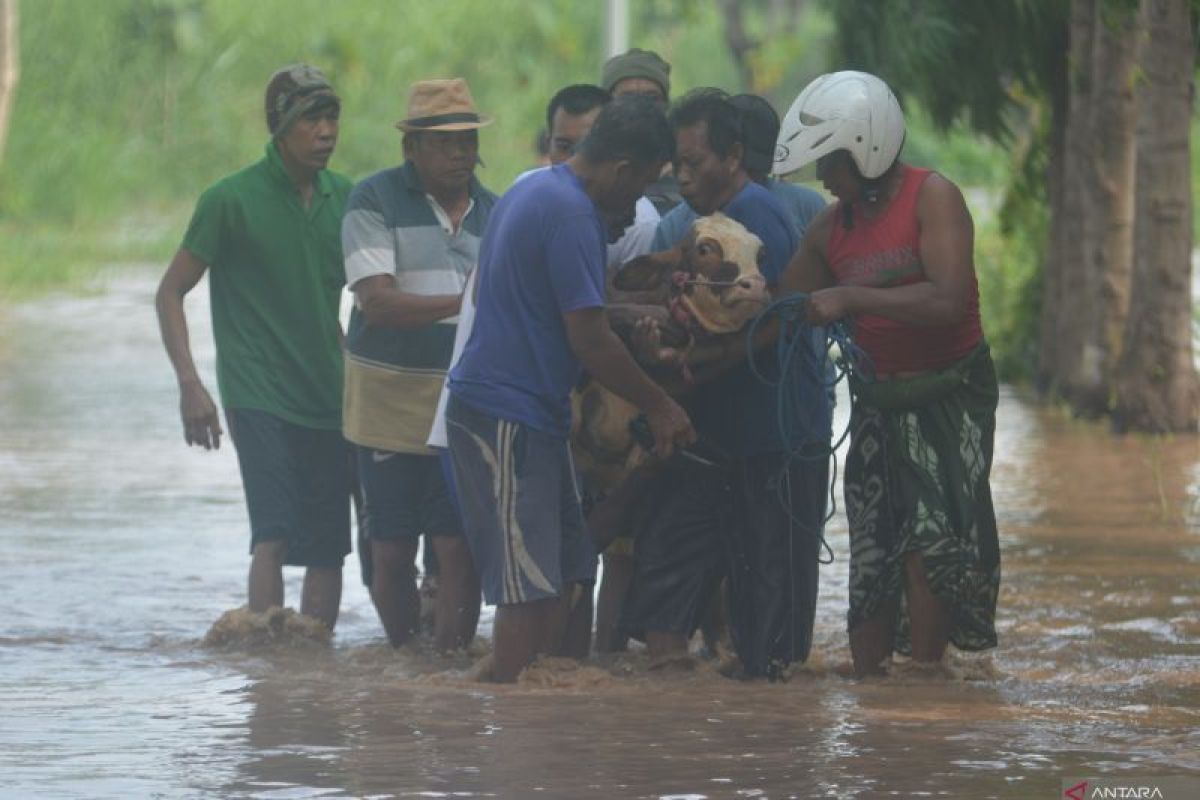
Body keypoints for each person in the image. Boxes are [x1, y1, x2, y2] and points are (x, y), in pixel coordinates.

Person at [445, 96, 696, 683]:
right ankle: (510, 728)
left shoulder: (533, 189)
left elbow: (552, 303)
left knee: (565, 571)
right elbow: (588, 340)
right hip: (503, 413)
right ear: (623, 169)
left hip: (529, 413)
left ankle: (533, 717)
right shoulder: (574, 215)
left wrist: (626, 317)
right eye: (639, 189)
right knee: (528, 589)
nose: (636, 205)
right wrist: (660, 405)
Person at [774, 70, 1001, 676]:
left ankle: (924, 681)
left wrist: (851, 298)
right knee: (873, 542)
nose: (823, 180)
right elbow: (782, 309)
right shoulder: (829, 228)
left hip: (950, 393)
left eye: (830, 164)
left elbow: (949, 298)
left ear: (866, 148)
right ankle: (872, 685)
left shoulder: (934, 197)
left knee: (932, 539)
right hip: (879, 398)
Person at [622, 88, 832, 678]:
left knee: (767, 631)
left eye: (693, 163)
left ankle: (765, 744)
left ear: (734, 155)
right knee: (664, 588)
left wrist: (689, 369)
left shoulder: (759, 216)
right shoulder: (689, 224)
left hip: (775, 439)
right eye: (676, 164)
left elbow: (776, 320)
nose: (681, 176)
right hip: (711, 436)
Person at [155, 64, 354, 629]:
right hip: (257, 392)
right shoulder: (230, 199)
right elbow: (170, 293)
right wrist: (191, 385)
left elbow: (367, 300)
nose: (326, 132)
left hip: (329, 392)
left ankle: (314, 677)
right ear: (280, 127)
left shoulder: (348, 199)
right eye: (311, 119)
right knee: (272, 533)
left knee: (327, 547)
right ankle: (266, 676)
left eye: (332, 117)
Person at [341, 78, 496, 652]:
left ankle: (450, 666)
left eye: (467, 141)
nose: (460, 153)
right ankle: (404, 661)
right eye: (444, 142)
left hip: (461, 404)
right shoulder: (373, 200)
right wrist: (470, 304)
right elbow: (376, 303)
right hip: (388, 404)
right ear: (412, 149)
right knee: (392, 547)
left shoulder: (496, 211)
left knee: (458, 543)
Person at [601, 48, 682, 214]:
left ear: (666, 105)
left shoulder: (688, 172)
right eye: (626, 98)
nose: (639, 106)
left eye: (651, 97)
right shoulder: (594, 173)